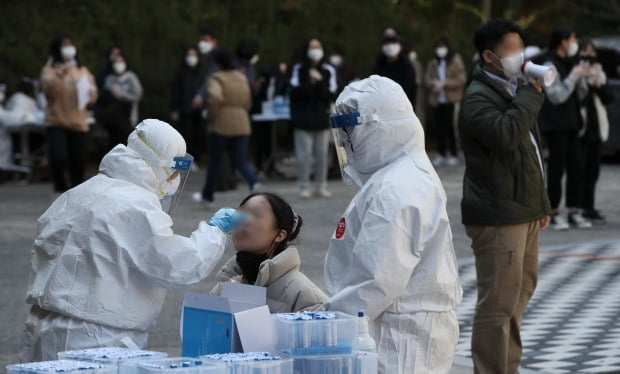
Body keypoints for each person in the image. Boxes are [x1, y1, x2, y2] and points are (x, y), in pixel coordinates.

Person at [20, 119, 245, 362]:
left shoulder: (80, 192)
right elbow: (179, 264)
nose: (175, 178)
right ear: (161, 164)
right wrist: (214, 230)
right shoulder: (136, 204)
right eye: (174, 170)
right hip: (96, 338)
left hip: (43, 327)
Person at [324, 75, 462, 374]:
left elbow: (376, 280)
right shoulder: (398, 175)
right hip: (397, 329)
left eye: (351, 131)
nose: (347, 143)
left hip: (400, 341)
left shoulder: (399, 189)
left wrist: (328, 325)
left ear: (379, 128)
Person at [460, 19, 551, 373]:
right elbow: (507, 135)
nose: (520, 55)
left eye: (520, 46)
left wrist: (540, 204)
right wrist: (532, 92)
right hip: (498, 216)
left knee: (517, 301)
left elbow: (528, 153)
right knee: (497, 306)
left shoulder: (511, 89)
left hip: (522, 211)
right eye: (511, 48)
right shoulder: (477, 98)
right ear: (489, 56)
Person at [211, 193, 327, 313]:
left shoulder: (307, 297)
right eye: (240, 215)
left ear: (280, 235)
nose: (243, 221)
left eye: (256, 215)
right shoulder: (226, 285)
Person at [539, 25, 592, 230]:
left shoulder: (570, 62)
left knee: (577, 167)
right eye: (572, 39)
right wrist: (573, 77)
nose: (574, 43)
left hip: (572, 124)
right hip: (556, 125)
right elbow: (557, 95)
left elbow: (579, 96)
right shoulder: (549, 64)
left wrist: (583, 78)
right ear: (563, 41)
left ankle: (573, 210)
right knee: (556, 169)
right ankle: (553, 211)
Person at [194, 47, 259, 207]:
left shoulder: (216, 78)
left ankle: (207, 196)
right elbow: (248, 99)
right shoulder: (240, 77)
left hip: (221, 123)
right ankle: (253, 181)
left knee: (215, 161)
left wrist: (211, 114)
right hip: (242, 121)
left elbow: (215, 97)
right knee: (240, 159)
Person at [40, 34, 97, 193]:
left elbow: (92, 96)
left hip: (78, 122)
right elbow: (48, 90)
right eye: (64, 44)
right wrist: (60, 73)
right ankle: (60, 185)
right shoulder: (50, 70)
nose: (68, 47)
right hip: (56, 120)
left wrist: (91, 92)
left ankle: (77, 188)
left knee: (78, 159)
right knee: (58, 156)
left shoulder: (82, 70)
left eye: (70, 44)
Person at [289, 37, 337, 199]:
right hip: (303, 119)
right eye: (312, 47)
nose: (315, 50)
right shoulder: (298, 69)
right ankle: (303, 185)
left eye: (318, 46)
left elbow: (331, 94)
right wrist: (310, 81)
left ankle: (321, 185)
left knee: (322, 154)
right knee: (304, 155)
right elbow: (295, 93)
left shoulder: (328, 70)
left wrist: (320, 81)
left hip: (322, 118)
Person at [576, 39, 615, 224]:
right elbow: (576, 98)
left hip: (596, 126)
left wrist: (598, 82)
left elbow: (609, 97)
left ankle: (588, 206)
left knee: (593, 169)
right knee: (579, 169)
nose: (589, 57)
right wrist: (584, 80)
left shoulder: (598, 71)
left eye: (592, 53)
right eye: (585, 52)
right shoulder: (575, 71)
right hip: (579, 126)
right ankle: (576, 207)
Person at [425, 36, 467, 167]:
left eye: (442, 47)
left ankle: (453, 153)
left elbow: (461, 79)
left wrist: (445, 84)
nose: (440, 50)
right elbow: (427, 79)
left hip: (451, 100)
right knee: (439, 128)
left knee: (451, 128)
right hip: (437, 100)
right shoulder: (433, 63)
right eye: (438, 47)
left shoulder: (455, 61)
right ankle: (441, 153)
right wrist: (434, 83)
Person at [97, 54, 143, 151]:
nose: (118, 64)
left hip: (128, 118)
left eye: (120, 61)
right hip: (112, 120)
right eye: (116, 62)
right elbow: (104, 98)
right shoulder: (109, 79)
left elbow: (137, 95)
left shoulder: (131, 77)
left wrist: (121, 94)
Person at [170, 47, 205, 166]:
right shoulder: (180, 72)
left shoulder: (202, 72)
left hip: (199, 110)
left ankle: (196, 159)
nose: (191, 57)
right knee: (182, 136)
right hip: (183, 108)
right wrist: (174, 108)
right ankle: (182, 161)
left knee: (198, 135)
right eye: (189, 54)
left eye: (194, 54)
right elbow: (176, 91)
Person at [371, 32, 417, 109]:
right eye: (387, 43)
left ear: (400, 46)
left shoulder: (407, 66)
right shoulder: (378, 66)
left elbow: (410, 90)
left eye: (394, 43)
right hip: (382, 108)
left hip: (402, 108)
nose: (390, 46)